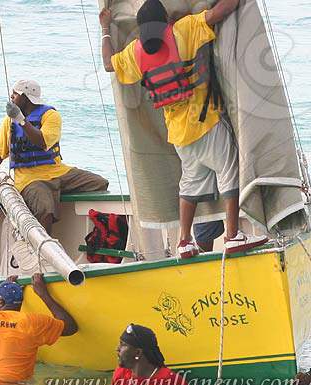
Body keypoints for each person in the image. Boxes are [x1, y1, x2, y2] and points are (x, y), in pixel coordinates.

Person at [99, 0, 268, 258]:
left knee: (189, 186)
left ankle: (184, 241)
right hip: (206, 122)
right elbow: (220, 11)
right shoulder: (183, 30)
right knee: (230, 172)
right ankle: (233, 236)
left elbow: (108, 63)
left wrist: (105, 29)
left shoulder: (134, 52)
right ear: (166, 20)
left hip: (179, 136)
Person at [0, 80, 109, 234]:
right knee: (45, 208)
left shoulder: (51, 116)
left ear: (26, 97)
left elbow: (42, 142)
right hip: (29, 179)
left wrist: (21, 120)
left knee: (99, 183)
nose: (11, 97)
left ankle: (55, 194)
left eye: (15, 94)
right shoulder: (9, 122)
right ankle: (43, 246)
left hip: (57, 172)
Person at [0, 273, 78, 383]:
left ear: (0, 302)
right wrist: (44, 294)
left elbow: (0, 322)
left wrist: (7, 287)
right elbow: (70, 327)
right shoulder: (33, 323)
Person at [110, 324, 192, 385]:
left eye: (123, 344)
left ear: (138, 352)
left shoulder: (172, 382)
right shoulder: (120, 374)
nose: (117, 349)